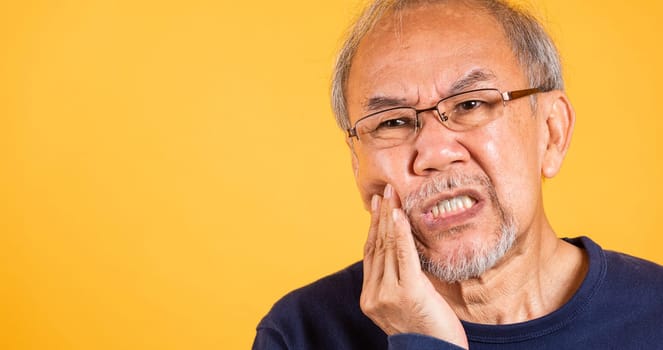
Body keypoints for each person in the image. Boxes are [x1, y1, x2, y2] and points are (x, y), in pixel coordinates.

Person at [252, 0, 663, 349]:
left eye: (470, 105)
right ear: (358, 166)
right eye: (392, 122)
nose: (434, 153)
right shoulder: (300, 334)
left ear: (552, 132)